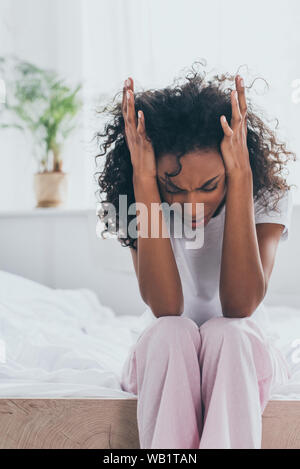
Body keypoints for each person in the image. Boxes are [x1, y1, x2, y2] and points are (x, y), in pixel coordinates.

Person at [96, 63, 296, 449]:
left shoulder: (268, 197)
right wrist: (143, 183)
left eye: (208, 186)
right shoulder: (134, 200)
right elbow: (166, 306)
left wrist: (239, 181)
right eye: (174, 187)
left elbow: (240, 305)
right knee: (171, 332)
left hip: (243, 356)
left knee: (229, 333)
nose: (191, 205)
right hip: (165, 357)